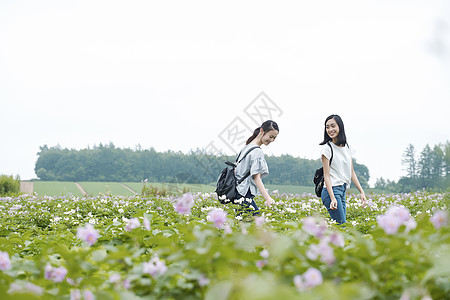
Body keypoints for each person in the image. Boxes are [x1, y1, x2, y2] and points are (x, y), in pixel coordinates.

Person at [319, 114, 367, 224]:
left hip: (342, 189)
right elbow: (326, 176)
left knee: (341, 226)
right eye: (327, 127)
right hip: (331, 191)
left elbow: (351, 172)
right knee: (342, 226)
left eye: (333, 126)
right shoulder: (327, 149)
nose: (330, 130)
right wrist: (332, 198)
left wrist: (361, 192)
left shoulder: (347, 147)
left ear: (340, 127)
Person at [235, 120, 279, 216]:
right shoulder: (257, 151)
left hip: (238, 193)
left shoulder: (246, 147)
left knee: (242, 226)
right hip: (245, 194)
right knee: (257, 225)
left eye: (274, 138)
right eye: (270, 137)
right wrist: (268, 198)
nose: (271, 140)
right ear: (262, 131)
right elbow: (256, 178)